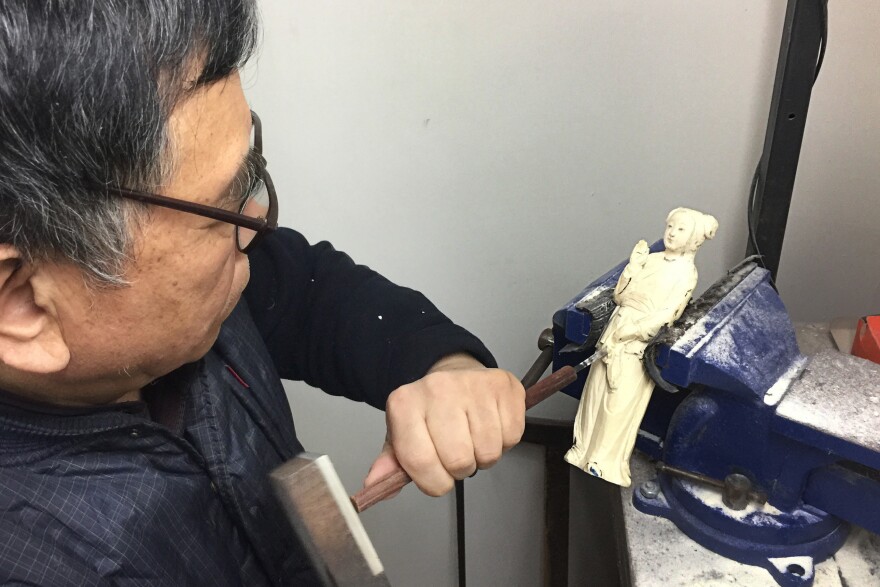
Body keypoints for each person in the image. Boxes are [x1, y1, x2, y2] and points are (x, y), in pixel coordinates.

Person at [0, 2, 524, 585]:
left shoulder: (217, 292)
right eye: (220, 206)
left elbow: (309, 292)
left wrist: (440, 364)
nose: (253, 224)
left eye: (249, 180)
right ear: (23, 304)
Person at [564, 208, 717, 486]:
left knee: (619, 401)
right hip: (616, 326)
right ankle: (583, 448)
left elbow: (667, 314)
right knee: (595, 394)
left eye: (680, 229)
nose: (671, 232)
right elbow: (620, 297)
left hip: (636, 341)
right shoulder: (652, 260)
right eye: (669, 225)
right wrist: (632, 269)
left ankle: (605, 460)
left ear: (693, 238)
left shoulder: (685, 273)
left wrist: (632, 332)